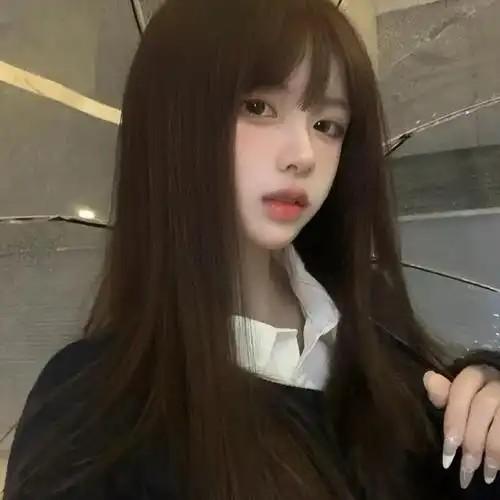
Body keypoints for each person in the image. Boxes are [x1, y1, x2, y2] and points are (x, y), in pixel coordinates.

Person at [4, 0, 500, 499]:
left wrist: (488, 405)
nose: (303, 155)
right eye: (258, 107)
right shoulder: (91, 410)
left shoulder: (382, 348)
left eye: (327, 125)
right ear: (174, 120)